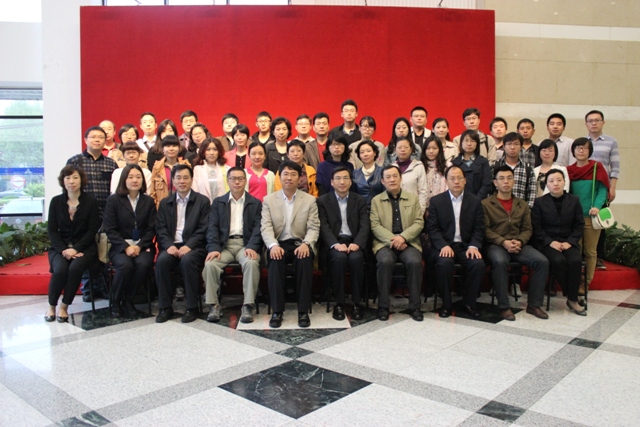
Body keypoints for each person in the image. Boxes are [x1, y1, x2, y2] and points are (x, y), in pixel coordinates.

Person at [482, 165, 549, 321]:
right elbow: (485, 230)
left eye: (509, 178)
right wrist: (503, 242)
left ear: (514, 181)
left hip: (518, 244)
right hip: (496, 245)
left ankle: (534, 305)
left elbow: (527, 229)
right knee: (499, 262)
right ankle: (504, 306)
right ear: (495, 183)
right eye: (501, 178)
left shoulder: (522, 204)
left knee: (542, 261)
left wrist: (519, 241)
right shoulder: (485, 204)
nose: (506, 182)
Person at [261, 160, 320, 329]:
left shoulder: (309, 200)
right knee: (275, 261)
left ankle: (303, 311)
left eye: (293, 174)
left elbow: (314, 227)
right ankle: (277, 311)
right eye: (285, 174)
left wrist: (307, 244)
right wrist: (273, 245)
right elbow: (266, 227)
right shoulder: (269, 200)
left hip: (300, 243)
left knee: (304, 260)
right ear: (279, 177)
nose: (289, 178)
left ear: (300, 178)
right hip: (278, 243)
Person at [203, 167, 262, 324]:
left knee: (251, 263)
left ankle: (248, 305)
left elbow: (258, 228)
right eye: (233, 179)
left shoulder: (255, 203)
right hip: (224, 246)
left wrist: (252, 246)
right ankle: (213, 305)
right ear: (227, 181)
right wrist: (214, 248)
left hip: (245, 245)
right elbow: (212, 228)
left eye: (240, 178)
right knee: (210, 265)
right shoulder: (218, 203)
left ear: (245, 181)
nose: (237, 182)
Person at [426, 165, 485, 318]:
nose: (456, 181)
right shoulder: (437, 201)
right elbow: (432, 228)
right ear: (446, 181)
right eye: (452, 178)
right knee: (444, 263)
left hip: (466, 246)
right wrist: (443, 245)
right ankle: (446, 305)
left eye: (459, 178)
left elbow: (479, 228)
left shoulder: (475, 201)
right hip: (445, 245)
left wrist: (474, 246)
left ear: (465, 180)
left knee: (478, 264)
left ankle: (469, 303)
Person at [155, 164, 210, 324]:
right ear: (172, 180)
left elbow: (204, 228)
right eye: (178, 178)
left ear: (192, 180)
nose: (182, 181)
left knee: (187, 261)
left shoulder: (202, 201)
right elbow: (161, 228)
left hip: (195, 247)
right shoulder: (165, 203)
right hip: (172, 246)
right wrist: (169, 245)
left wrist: (189, 245)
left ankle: (192, 307)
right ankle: (165, 307)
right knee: (162, 261)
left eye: (186, 177)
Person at [45, 165, 101, 323]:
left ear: (81, 180)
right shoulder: (56, 202)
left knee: (75, 268)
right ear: (63, 181)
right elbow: (52, 231)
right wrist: (64, 249)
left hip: (84, 247)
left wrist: (75, 248)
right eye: (68, 178)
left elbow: (92, 230)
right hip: (60, 248)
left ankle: (64, 306)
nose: (71, 181)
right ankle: (51, 305)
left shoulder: (90, 201)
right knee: (60, 270)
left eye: (75, 177)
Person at [370, 165, 424, 322]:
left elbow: (419, 222)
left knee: (415, 262)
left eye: (395, 176)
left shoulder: (413, 198)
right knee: (385, 261)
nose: (392, 179)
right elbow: (375, 225)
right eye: (388, 177)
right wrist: (394, 240)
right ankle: (383, 306)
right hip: (384, 243)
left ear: (401, 179)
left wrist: (403, 237)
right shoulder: (376, 201)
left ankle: (415, 306)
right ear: (382, 181)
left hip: (409, 242)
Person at [103, 164, 156, 318]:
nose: (135, 180)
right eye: (130, 177)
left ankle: (129, 300)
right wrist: (126, 247)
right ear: (124, 180)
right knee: (125, 265)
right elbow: (110, 229)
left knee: (143, 264)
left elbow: (152, 228)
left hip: (142, 245)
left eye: (138, 177)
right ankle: (115, 301)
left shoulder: (148, 201)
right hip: (120, 246)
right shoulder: (113, 200)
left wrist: (139, 246)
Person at [531, 169, 586, 316]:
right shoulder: (539, 202)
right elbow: (536, 228)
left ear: (564, 182)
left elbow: (579, 225)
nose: (555, 183)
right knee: (558, 260)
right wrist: (550, 242)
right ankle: (572, 296)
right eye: (551, 181)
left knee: (575, 260)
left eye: (559, 180)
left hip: (568, 242)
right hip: (548, 243)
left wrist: (570, 242)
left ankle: (572, 299)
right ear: (546, 185)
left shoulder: (574, 200)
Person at [317, 167, 369, 321]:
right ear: (332, 182)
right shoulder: (322, 201)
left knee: (356, 259)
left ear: (351, 182)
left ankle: (357, 303)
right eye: (338, 178)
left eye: (346, 178)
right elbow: (323, 226)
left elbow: (365, 225)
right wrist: (334, 244)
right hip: (335, 242)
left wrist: (357, 243)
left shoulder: (359, 200)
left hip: (354, 242)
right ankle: (339, 303)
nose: (342, 182)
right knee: (339, 259)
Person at [567, 138, 609, 294]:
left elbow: (602, 190)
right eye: (578, 148)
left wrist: (597, 206)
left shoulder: (597, 168)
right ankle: (576, 280)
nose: (581, 150)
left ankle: (586, 283)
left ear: (590, 151)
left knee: (590, 252)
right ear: (573, 151)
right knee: (575, 252)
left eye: (584, 148)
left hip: (591, 217)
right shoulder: (569, 170)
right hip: (574, 219)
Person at [585, 109, 620, 269]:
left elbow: (615, 167)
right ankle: (585, 255)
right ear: (586, 124)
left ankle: (599, 256)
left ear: (603, 122)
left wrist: (612, 187)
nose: (594, 123)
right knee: (584, 221)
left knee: (600, 221)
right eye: (590, 121)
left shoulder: (611, 142)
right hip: (585, 188)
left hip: (602, 188)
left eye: (597, 120)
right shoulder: (582, 143)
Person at [66, 126, 118, 217]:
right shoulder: (74, 161)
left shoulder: (111, 163)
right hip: (81, 211)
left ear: (105, 141)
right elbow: (67, 187)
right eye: (93, 137)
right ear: (85, 140)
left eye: (101, 137)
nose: (97, 140)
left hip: (106, 212)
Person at [494, 132, 537, 208]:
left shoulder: (527, 168)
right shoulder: (495, 166)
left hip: (520, 210)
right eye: (509, 144)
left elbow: (532, 193)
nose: (512, 147)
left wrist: (527, 210)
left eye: (516, 144)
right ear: (504, 146)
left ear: (521, 147)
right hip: (498, 210)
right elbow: (490, 191)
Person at [149, 135, 192, 209]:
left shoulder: (186, 166)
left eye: (174, 146)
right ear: (163, 149)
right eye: (168, 146)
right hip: (162, 208)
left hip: (183, 206)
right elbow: (153, 192)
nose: (171, 149)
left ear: (179, 148)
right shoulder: (157, 167)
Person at [451, 129, 492, 199]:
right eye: (466, 140)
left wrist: (476, 200)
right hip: (458, 200)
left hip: (479, 200)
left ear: (477, 143)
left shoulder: (483, 162)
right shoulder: (455, 162)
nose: (469, 144)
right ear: (461, 143)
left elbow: (486, 184)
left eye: (473, 141)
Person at [392, 137, 428, 214]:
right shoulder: (391, 168)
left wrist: (420, 213)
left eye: (406, 147)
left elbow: (423, 191)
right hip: (395, 211)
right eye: (399, 147)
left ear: (411, 149)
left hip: (414, 210)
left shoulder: (418, 166)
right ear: (395, 150)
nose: (403, 150)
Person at [192, 137, 230, 204]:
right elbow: (195, 191)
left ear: (219, 151)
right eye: (208, 149)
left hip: (222, 206)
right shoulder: (197, 170)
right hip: (203, 206)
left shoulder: (227, 169)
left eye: (215, 149)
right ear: (203, 151)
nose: (211, 153)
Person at [420, 136, 448, 212]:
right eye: (428, 148)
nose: (431, 151)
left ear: (440, 150)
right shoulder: (419, 166)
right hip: (423, 207)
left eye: (434, 148)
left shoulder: (447, 166)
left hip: (443, 207)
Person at [352, 140, 385, 205]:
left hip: (378, 207)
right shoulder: (354, 173)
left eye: (368, 151)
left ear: (374, 153)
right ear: (359, 155)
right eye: (362, 152)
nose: (365, 154)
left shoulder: (383, 172)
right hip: (360, 208)